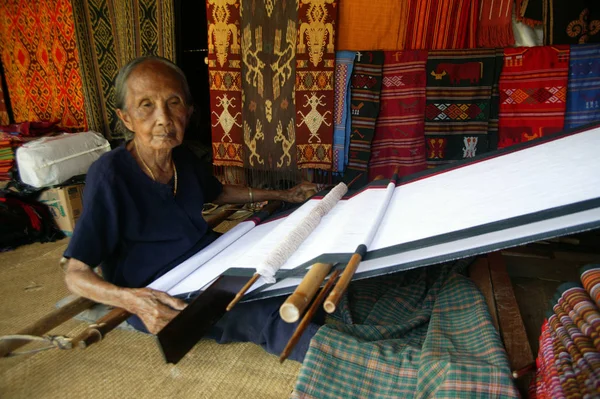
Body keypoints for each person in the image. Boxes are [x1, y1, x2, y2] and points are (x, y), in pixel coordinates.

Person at [63, 56, 319, 361]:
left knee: (293, 269)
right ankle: (350, 362)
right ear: (126, 118)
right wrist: (133, 300)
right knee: (266, 312)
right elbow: (75, 273)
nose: (164, 119)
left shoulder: (181, 157)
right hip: (162, 290)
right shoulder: (109, 175)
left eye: (174, 102)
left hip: (211, 260)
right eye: (146, 104)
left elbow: (219, 191)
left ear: (189, 111)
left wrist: (284, 195)